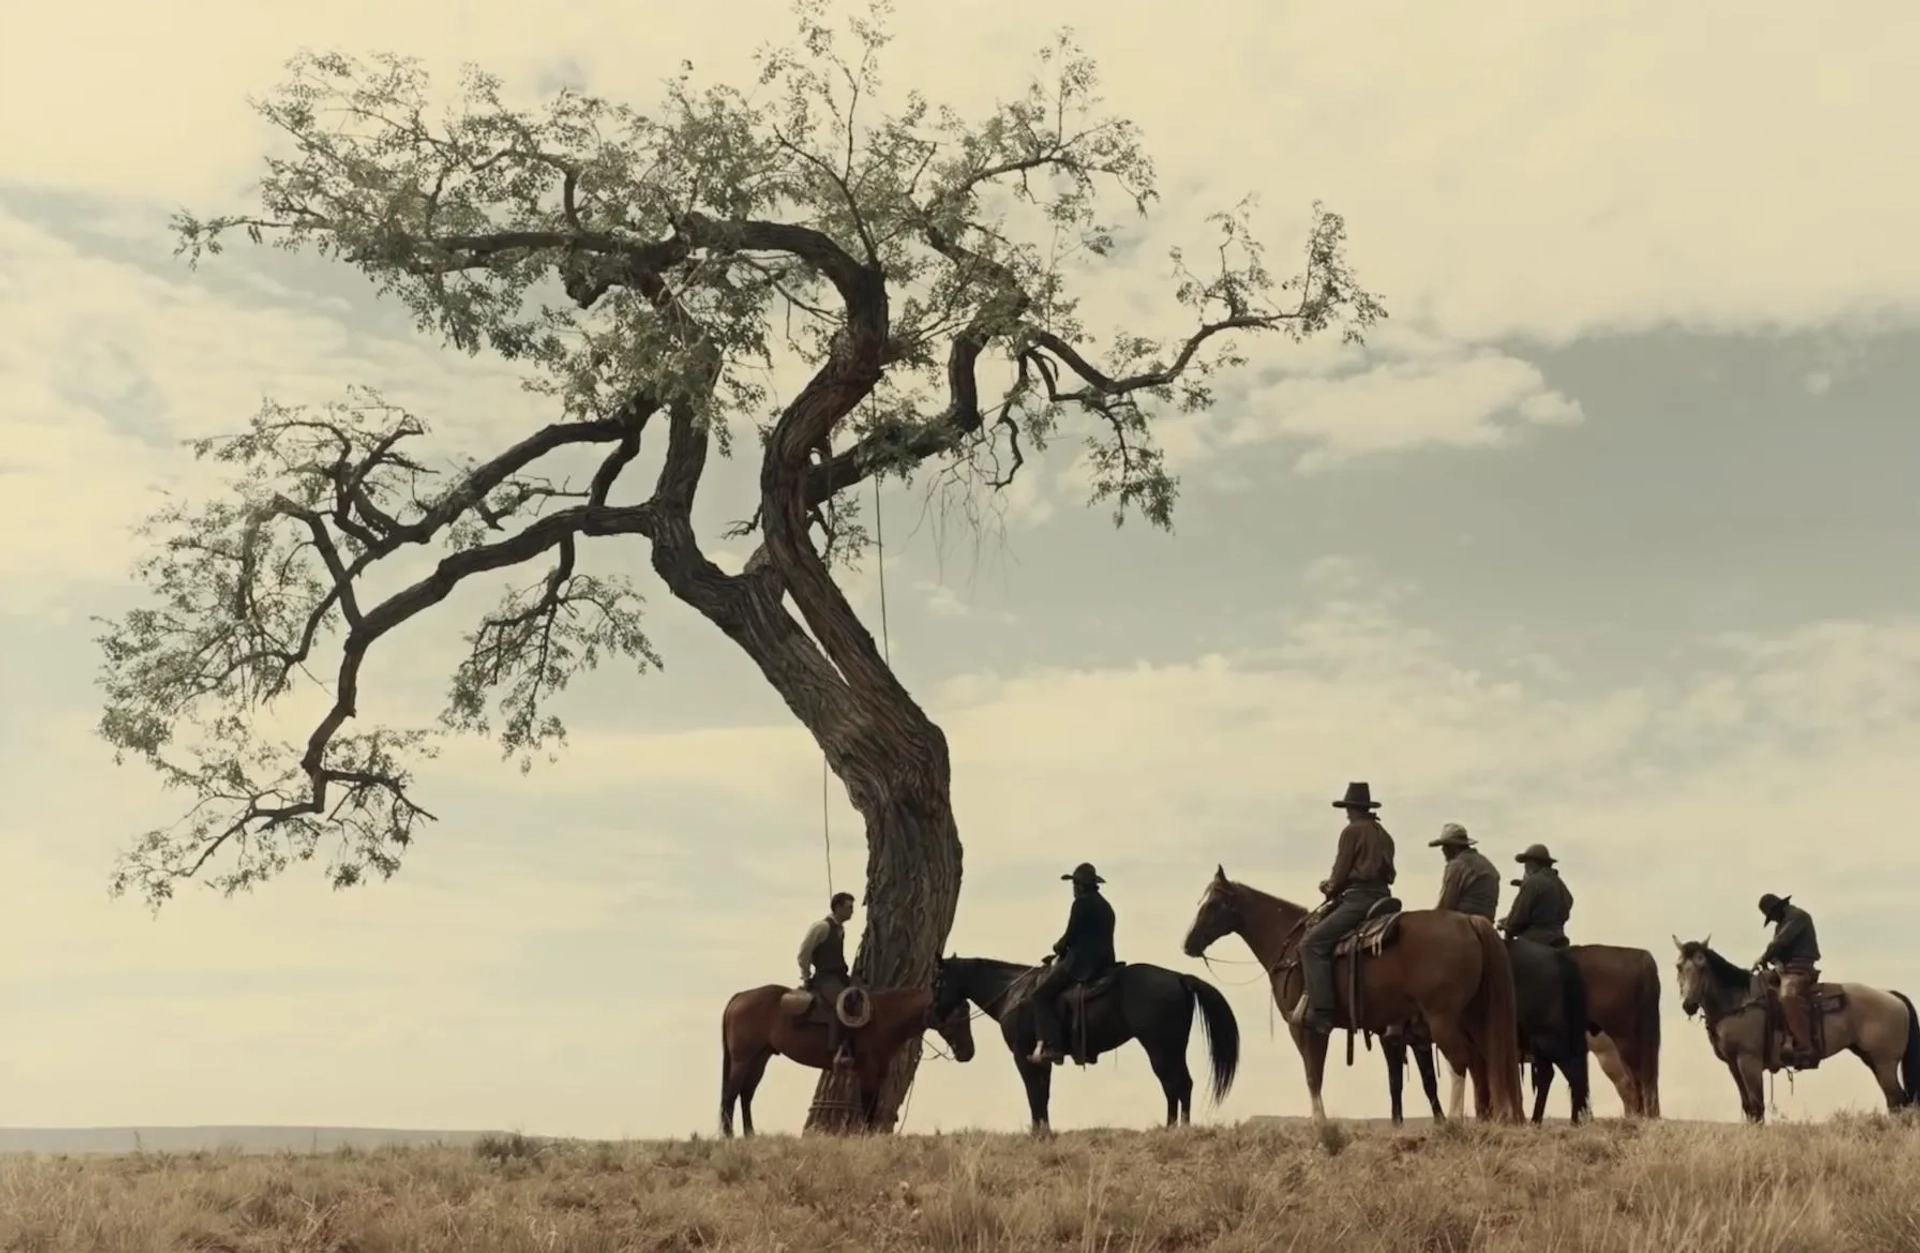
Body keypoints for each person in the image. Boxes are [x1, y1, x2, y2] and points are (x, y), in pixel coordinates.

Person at [1289, 782, 1398, 1034]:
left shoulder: (1352, 831)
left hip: (1359, 900)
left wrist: (1329, 886)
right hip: (1384, 898)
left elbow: (1340, 872)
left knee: (1311, 944)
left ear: (1352, 808)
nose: (1347, 813)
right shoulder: (1384, 834)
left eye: (1348, 808)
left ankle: (1323, 1012)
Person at [1028, 863, 1118, 1065]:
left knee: (1040, 996)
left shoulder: (1081, 904)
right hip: (1105, 962)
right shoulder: (1105, 906)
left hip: (1082, 964)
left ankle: (1054, 1046)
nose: (1073, 889)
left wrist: (1057, 948)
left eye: (1074, 885)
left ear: (1079, 885)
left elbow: (1070, 937)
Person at [1755, 892, 1822, 1066]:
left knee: (1788, 997)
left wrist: (1763, 958)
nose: (1774, 920)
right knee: (1757, 989)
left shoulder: (1798, 917)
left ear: (1778, 908)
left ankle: (1805, 1046)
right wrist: (1774, 962)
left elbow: (1780, 943)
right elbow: (1778, 951)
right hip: (1783, 970)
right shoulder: (1782, 923)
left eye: (1772, 915)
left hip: (1800, 967)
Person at [797, 891, 858, 1070]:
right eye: (849, 908)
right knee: (841, 1004)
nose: (852, 912)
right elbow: (803, 954)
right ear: (837, 907)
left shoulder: (840, 930)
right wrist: (806, 976)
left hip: (840, 977)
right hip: (825, 979)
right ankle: (837, 1051)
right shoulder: (822, 927)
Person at [1499, 844, 1573, 947]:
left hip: (1535, 941)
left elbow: (1518, 917)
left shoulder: (1532, 882)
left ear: (1532, 863)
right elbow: (1568, 904)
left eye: (1526, 863)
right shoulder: (1559, 884)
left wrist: (1507, 924)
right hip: (1559, 937)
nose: (1525, 867)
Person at [1431, 823, 1500, 920]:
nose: (1442, 850)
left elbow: (1446, 905)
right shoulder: (1487, 864)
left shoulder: (1458, 864)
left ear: (1452, 846)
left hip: (1462, 922)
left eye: (1445, 846)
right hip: (1487, 921)